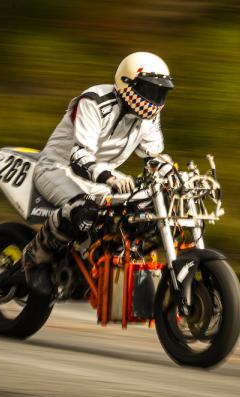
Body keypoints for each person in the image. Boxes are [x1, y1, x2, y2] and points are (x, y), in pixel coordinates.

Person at [23, 52, 174, 296]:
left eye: (161, 92)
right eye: (149, 90)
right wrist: (111, 179)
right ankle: (35, 257)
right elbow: (80, 157)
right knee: (82, 208)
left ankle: (104, 263)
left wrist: (174, 175)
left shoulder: (149, 116)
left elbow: (153, 157)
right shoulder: (94, 102)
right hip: (58, 167)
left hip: (102, 177)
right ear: (128, 83)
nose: (156, 99)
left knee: (142, 209)